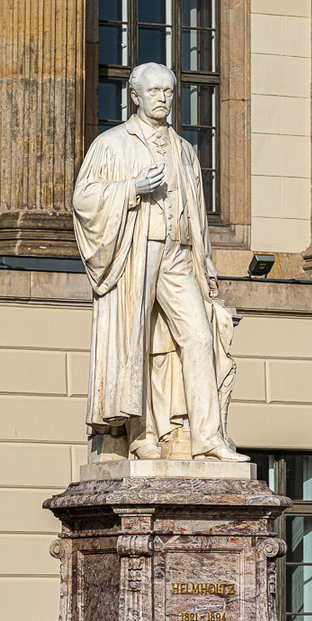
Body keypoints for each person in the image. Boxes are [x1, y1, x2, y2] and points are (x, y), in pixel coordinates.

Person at [72, 61, 249, 462]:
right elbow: (83, 200)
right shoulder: (112, 144)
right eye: (155, 92)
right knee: (137, 340)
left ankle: (209, 437)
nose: (164, 100)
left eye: (169, 92)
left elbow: (199, 217)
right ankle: (142, 434)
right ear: (135, 96)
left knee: (199, 336)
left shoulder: (185, 150)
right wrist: (130, 188)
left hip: (179, 253)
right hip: (136, 249)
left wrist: (207, 271)